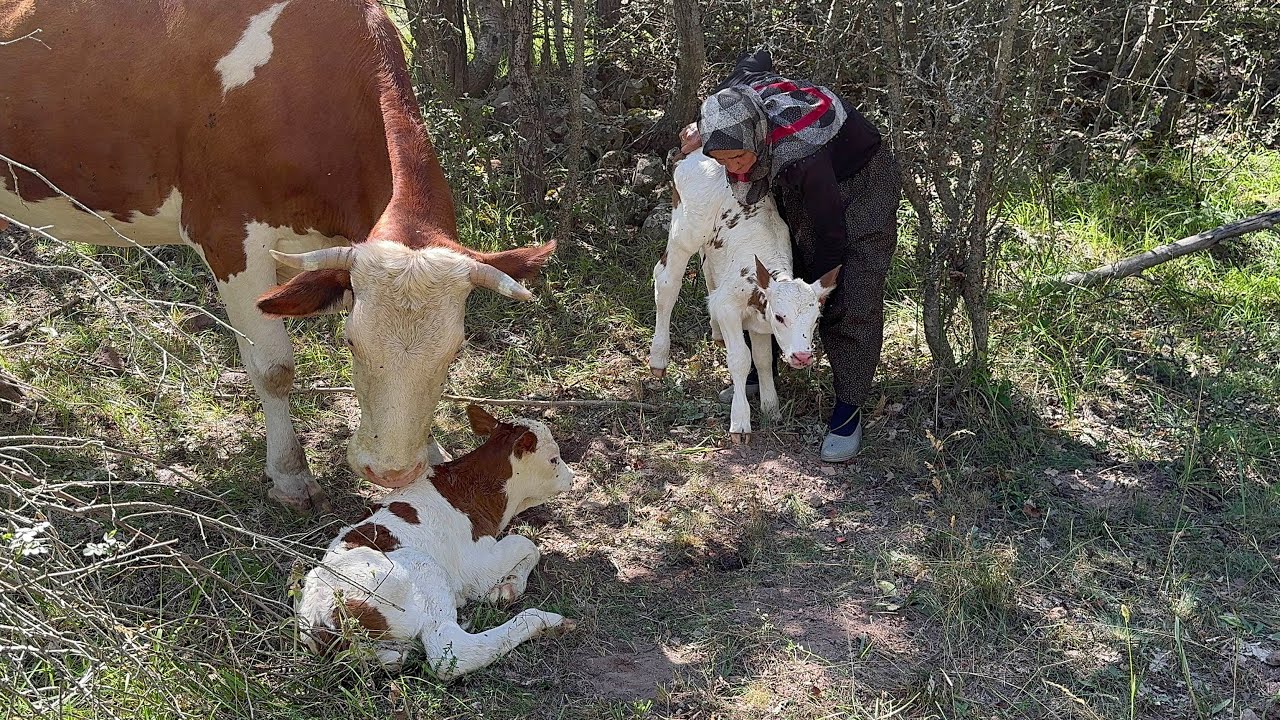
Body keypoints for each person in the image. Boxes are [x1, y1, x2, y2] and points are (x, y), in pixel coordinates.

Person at [679, 48, 901, 462]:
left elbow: (832, 235)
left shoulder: (803, 157)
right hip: (804, 181)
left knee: (849, 292)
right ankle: (762, 375)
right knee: (771, 273)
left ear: (758, 141)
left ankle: (848, 408)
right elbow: (753, 59)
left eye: (739, 158)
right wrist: (705, 126)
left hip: (861, 185)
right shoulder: (740, 104)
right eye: (722, 161)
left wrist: (814, 294)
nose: (735, 170)